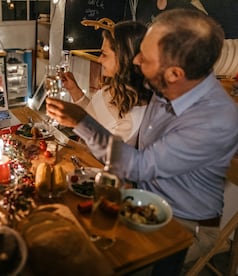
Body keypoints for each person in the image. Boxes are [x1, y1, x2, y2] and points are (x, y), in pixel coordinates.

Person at [46, 8, 238, 271]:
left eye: (145, 55)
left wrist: (80, 122)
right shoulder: (140, 90)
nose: (138, 61)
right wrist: (77, 97)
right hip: (143, 196)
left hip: (181, 223)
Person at [61, 20, 152, 145]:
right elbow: (95, 117)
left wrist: (77, 121)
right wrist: (74, 90)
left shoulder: (132, 117)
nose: (99, 59)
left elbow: (107, 157)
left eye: (104, 54)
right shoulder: (114, 86)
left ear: (124, 58)